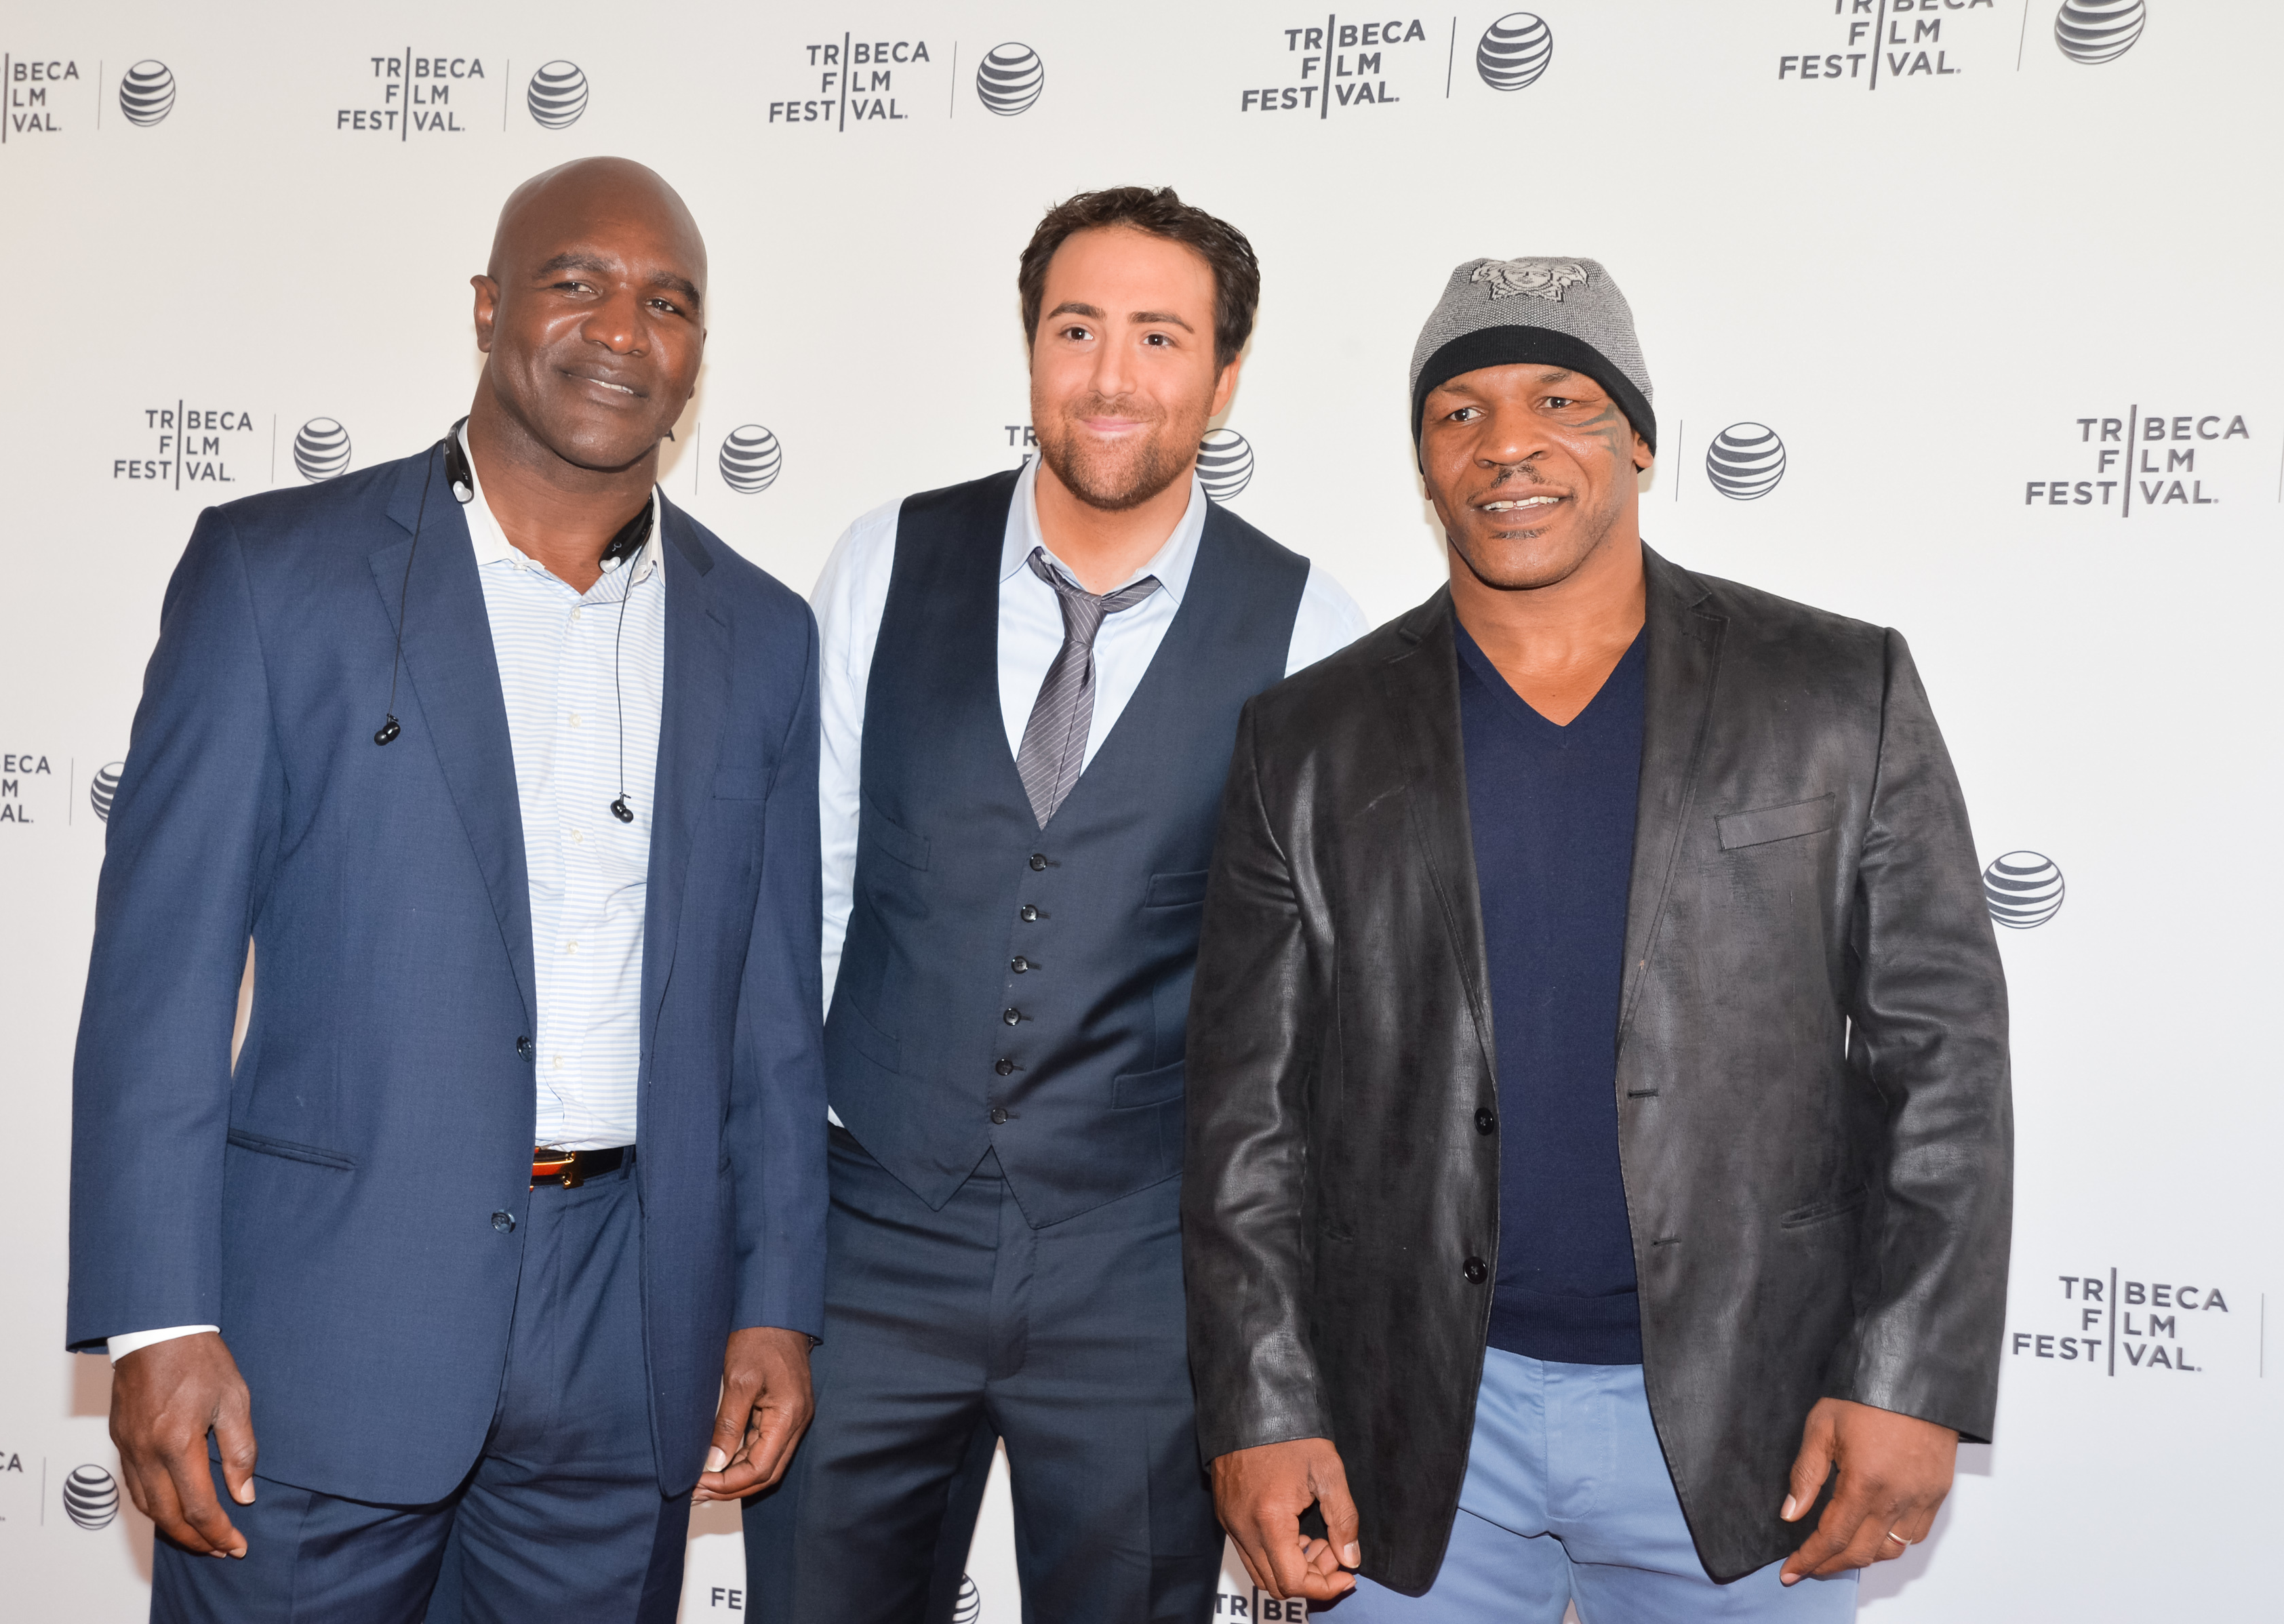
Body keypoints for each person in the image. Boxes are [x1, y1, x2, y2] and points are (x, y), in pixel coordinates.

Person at [1182, 257, 2013, 1618]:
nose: (1507, 445)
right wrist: (1260, 1401)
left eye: (1561, 398)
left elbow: (1947, 1062)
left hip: (1754, 1422)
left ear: (1638, 436)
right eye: (1458, 413)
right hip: (1413, 1434)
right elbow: (1244, 1116)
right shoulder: (1308, 739)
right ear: (1423, 463)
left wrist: (1911, 1374)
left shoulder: (1833, 691)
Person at [66, 157, 825, 1621]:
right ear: (487, 308)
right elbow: (158, 980)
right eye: (577, 282)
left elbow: (772, 1018)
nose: (623, 328)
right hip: (324, 1330)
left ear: (698, 355)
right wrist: (160, 1315)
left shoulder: (763, 636)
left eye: (669, 302)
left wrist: (775, 1296)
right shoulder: (276, 577)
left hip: (631, 1328)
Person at [740, 186, 1366, 1621]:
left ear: (1223, 372)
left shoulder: (1311, 626)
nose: (1111, 376)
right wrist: (766, 1260)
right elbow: (801, 915)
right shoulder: (883, 558)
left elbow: (1312, 1012)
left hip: (1143, 1263)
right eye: (1077, 328)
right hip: (871, 1236)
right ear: (1029, 348)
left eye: (1161, 336)